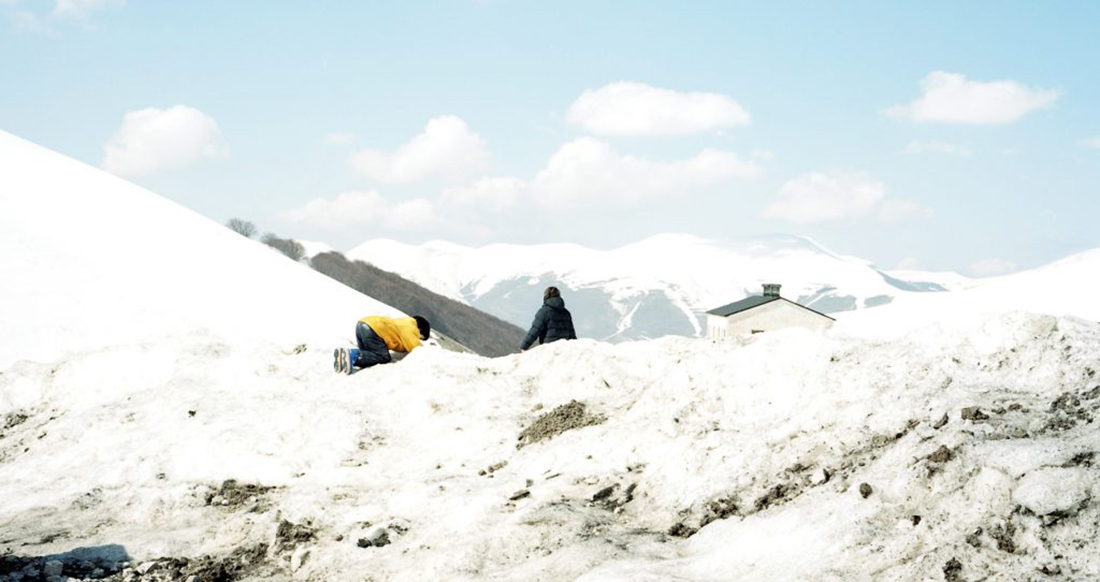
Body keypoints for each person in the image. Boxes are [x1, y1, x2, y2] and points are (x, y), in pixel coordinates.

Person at [334, 315, 431, 374]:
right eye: (420, 337)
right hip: (373, 329)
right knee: (383, 357)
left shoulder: (403, 321)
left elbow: (401, 342)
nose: (418, 338)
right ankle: (351, 354)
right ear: (420, 329)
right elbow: (416, 349)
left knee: (368, 355)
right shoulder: (411, 327)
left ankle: (343, 359)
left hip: (362, 324)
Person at [520, 286, 577, 351]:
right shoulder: (566, 313)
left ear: (546, 296)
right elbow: (571, 333)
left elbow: (534, 331)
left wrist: (524, 346)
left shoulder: (544, 312)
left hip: (548, 349)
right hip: (564, 349)